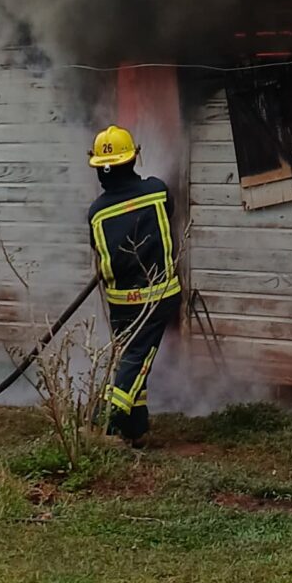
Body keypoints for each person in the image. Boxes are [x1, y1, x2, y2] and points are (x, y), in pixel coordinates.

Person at [86, 124, 181, 446]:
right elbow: (167, 215)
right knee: (136, 361)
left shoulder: (97, 212)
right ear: (133, 160)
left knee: (128, 357)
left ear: (100, 169)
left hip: (120, 301)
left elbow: (99, 252)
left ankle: (135, 430)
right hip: (157, 296)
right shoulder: (157, 190)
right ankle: (108, 424)